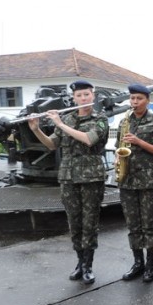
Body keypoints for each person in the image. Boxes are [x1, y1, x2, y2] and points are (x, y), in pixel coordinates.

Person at [28, 80, 109, 285]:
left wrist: (60, 124)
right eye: (79, 96)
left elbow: (89, 139)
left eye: (86, 95)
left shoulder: (100, 119)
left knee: (89, 222)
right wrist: (36, 129)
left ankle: (89, 266)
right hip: (68, 177)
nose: (83, 99)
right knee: (74, 222)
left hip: (91, 178)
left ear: (93, 96)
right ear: (73, 98)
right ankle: (79, 263)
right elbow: (51, 145)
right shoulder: (67, 118)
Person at [117, 84, 153, 283]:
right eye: (132, 99)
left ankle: (150, 266)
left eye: (139, 98)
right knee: (133, 225)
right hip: (128, 180)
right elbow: (119, 147)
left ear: (147, 100)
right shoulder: (125, 121)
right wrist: (117, 159)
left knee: (148, 224)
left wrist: (139, 142)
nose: (135, 102)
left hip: (149, 180)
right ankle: (137, 263)